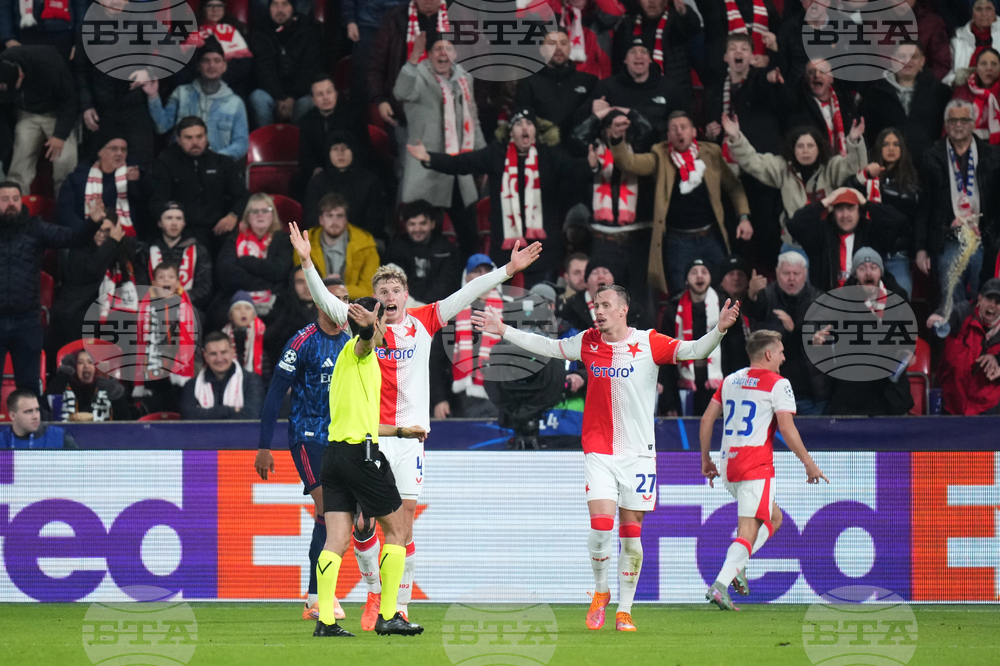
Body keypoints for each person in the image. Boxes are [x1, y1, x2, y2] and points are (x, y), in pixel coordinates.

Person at [291, 220, 542, 625]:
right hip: (369, 438)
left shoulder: (425, 319)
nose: (389, 297)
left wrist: (507, 272)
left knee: (403, 526)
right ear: (376, 297)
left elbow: (467, 293)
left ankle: (396, 606)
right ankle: (375, 590)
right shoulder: (363, 322)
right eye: (382, 292)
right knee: (362, 525)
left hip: (409, 440)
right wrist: (306, 262)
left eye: (395, 291)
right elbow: (324, 298)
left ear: (406, 295)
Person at [472, 283, 741, 631]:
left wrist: (719, 328)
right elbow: (550, 347)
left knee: (632, 538)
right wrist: (504, 329)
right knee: (601, 530)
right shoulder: (587, 341)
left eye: (605, 305)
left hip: (640, 456)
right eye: (595, 305)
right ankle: (601, 592)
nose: (597, 311)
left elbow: (694, 350)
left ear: (622, 309)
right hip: (599, 450)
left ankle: (624, 610)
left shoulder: (649, 342)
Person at [294, 263, 427, 637]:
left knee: (335, 539)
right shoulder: (362, 351)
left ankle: (325, 619)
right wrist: (369, 323)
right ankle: (389, 614)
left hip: (334, 455)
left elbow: (364, 419)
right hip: (360, 455)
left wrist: (402, 430)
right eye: (380, 320)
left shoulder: (345, 362)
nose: (386, 327)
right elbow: (367, 336)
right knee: (399, 529)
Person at [699, 329, 828, 611]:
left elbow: (707, 419)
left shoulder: (731, 380)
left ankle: (737, 566)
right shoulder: (778, 384)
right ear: (768, 354)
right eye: (780, 352)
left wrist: (705, 460)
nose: (784, 357)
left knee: (775, 517)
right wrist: (809, 463)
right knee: (748, 531)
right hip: (755, 465)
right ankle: (721, 584)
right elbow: (786, 427)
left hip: (727, 464)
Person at [255, 276, 354, 623]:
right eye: (336, 299)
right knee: (332, 510)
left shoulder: (350, 341)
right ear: (320, 301)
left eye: (346, 298)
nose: (343, 305)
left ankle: (314, 596)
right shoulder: (302, 342)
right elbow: (274, 394)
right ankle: (321, 597)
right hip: (307, 436)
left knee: (327, 518)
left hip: (341, 439)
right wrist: (264, 446)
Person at [407, 108, 595, 286]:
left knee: (539, 303)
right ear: (510, 132)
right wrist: (429, 158)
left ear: (536, 131)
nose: (524, 127)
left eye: (529, 123)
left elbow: (574, 170)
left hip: (543, 250)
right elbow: (461, 163)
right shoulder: (496, 154)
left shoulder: (549, 155)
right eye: (518, 123)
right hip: (505, 248)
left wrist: (591, 164)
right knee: (505, 304)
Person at [608, 110, 753, 296]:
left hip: (710, 235)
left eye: (683, 127)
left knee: (724, 290)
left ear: (693, 132)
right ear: (668, 136)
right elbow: (629, 163)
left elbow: (734, 187)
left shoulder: (711, 153)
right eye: (674, 129)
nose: (679, 132)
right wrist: (617, 139)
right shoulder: (660, 156)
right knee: (681, 293)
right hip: (678, 242)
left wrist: (744, 217)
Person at [0, 180, 102, 394]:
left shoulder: (35, 228)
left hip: (26, 321)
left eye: (15, 199)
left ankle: (27, 428)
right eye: (5, 199)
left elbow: (74, 239)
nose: (11, 204)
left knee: (28, 387)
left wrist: (92, 223)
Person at [705, 33, 794, 269]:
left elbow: (787, 103)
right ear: (725, 57)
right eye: (733, 48)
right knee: (736, 234)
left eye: (744, 48)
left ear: (752, 56)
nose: (738, 52)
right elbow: (711, 126)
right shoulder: (714, 92)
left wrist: (776, 70)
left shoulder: (762, 81)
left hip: (761, 170)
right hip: (731, 172)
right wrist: (711, 131)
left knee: (767, 233)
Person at [394, 35, 486, 258]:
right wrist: (413, 59)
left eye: (449, 49)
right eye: (437, 49)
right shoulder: (419, 75)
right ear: (430, 54)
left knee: (469, 234)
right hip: (426, 168)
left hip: (457, 169)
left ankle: (469, 282)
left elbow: (472, 119)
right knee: (421, 235)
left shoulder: (464, 80)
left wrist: (482, 157)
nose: (443, 53)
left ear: (456, 54)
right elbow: (401, 92)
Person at [722, 114, 867, 250]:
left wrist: (854, 141)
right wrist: (736, 138)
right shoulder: (783, 168)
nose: (805, 151)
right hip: (794, 243)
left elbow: (855, 165)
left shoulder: (831, 167)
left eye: (810, 146)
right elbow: (753, 162)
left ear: (819, 148)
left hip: (826, 242)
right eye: (800, 146)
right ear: (793, 149)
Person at [918, 100, 1000, 311]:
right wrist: (921, 248)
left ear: (973, 123)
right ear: (945, 124)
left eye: (964, 119)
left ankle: (977, 336)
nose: (958, 124)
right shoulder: (932, 156)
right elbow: (924, 206)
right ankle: (955, 333)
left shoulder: (992, 156)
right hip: (948, 236)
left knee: (983, 286)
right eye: (953, 120)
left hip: (984, 235)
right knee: (950, 282)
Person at [816, 248, 914, 417]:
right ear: (855, 274)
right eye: (862, 268)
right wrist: (818, 334)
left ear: (881, 272)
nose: (868, 273)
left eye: (873, 267)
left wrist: (906, 352)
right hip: (852, 394)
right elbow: (823, 320)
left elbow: (907, 337)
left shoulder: (898, 297)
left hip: (889, 394)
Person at [44, 214, 136, 373]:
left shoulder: (123, 254)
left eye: (107, 231)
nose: (101, 235)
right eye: (98, 230)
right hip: (75, 311)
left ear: (116, 231)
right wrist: (112, 242)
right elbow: (92, 270)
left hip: (109, 315)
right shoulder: (79, 248)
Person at [744, 251, 828, 415]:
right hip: (773, 394)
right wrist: (751, 294)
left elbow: (830, 337)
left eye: (796, 273)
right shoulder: (766, 297)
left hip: (812, 392)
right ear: (776, 273)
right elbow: (753, 314)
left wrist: (818, 340)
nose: (791, 278)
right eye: (786, 273)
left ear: (805, 273)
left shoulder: (819, 300)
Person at [150, 117, 250, 254]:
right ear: (178, 140)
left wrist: (233, 215)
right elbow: (158, 202)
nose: (195, 142)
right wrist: (174, 224)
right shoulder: (166, 163)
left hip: (218, 230)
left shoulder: (222, 162)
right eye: (188, 138)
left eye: (199, 136)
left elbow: (243, 196)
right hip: (182, 231)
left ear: (206, 137)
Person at [140, 39, 250, 159]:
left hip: (218, 167)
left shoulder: (235, 103)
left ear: (224, 66)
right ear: (198, 66)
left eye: (217, 61)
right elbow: (161, 127)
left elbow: (241, 144)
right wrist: (153, 96)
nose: (211, 65)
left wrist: (217, 159)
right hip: (181, 163)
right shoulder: (181, 93)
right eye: (206, 61)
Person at [787, 187, 904, 292]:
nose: (845, 215)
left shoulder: (872, 233)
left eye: (851, 208)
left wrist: (866, 203)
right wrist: (825, 202)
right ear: (833, 211)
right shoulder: (821, 233)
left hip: (864, 304)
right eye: (840, 209)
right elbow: (795, 224)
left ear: (859, 210)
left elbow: (898, 221)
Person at [429, 254, 503, 419]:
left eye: (487, 271)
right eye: (476, 271)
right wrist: (440, 399)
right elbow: (436, 361)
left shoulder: (509, 311)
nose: (482, 276)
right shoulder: (452, 313)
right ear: (466, 278)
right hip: (461, 400)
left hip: (501, 397)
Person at [850, 129, 921, 297]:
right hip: (868, 252)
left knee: (902, 299)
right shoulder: (867, 176)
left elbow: (912, 218)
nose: (891, 148)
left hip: (897, 254)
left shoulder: (912, 180)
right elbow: (848, 193)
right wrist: (865, 175)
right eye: (886, 144)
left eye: (896, 144)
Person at [858, 42, 950, 171]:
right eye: (902, 56)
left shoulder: (940, 93)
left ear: (922, 61)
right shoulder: (873, 94)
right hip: (886, 169)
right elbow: (866, 134)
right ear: (893, 60)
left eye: (913, 57)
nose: (908, 61)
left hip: (929, 168)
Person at [0, 45, 77, 195]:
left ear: (21, 74)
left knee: (65, 159)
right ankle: (14, 207)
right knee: (20, 160)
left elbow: (69, 102)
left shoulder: (49, 64)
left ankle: (64, 205)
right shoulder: (3, 65)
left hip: (56, 113)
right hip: (26, 113)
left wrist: (60, 135)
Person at [588, 39, 692, 149]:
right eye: (632, 52)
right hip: (618, 154)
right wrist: (593, 112)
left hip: (659, 153)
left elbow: (686, 121)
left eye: (644, 52)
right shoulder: (607, 87)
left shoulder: (670, 88)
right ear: (625, 59)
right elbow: (584, 124)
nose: (639, 56)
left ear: (650, 59)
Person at [661, 259, 730, 416]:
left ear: (711, 277)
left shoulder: (724, 306)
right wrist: (669, 401)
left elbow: (735, 350)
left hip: (718, 383)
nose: (699, 276)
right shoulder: (673, 309)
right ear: (686, 279)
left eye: (704, 272)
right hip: (685, 386)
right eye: (694, 272)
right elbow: (666, 356)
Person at [212, 193, 293, 326]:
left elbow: (280, 270)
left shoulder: (284, 239)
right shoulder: (234, 238)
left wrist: (246, 261)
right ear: (247, 216)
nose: (260, 215)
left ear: (273, 215)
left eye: (265, 211)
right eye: (255, 211)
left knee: (284, 320)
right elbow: (226, 272)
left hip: (275, 300)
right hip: (237, 296)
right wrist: (266, 283)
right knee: (218, 316)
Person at [368, 0, 450, 130]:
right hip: (405, 112)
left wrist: (474, 102)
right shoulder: (395, 18)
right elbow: (376, 64)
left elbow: (480, 61)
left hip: (450, 115)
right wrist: (380, 99)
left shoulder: (459, 17)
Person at [131, 261, 198, 415]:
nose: (166, 280)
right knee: (153, 409)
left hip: (177, 369)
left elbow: (192, 338)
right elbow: (139, 341)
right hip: (153, 367)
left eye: (171, 277)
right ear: (153, 283)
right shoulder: (145, 307)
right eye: (161, 277)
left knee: (175, 409)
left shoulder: (185, 306)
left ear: (178, 282)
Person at [928, 277, 1000, 415]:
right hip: (951, 404)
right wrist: (940, 316)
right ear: (979, 298)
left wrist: (997, 360)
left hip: (988, 409)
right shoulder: (965, 312)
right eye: (988, 299)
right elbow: (951, 313)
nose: (992, 305)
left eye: (998, 302)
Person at [294, 74, 372, 201]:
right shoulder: (306, 121)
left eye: (329, 92)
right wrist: (316, 169)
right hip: (322, 172)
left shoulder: (353, 115)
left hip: (352, 168)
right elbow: (305, 155)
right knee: (299, 184)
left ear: (336, 93)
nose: (325, 98)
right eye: (320, 94)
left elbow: (364, 147)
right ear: (313, 100)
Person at [58, 133, 152, 237]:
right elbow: (65, 212)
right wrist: (87, 231)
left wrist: (138, 181)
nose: (119, 153)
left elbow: (146, 203)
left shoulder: (134, 175)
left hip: (123, 239)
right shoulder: (77, 177)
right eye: (114, 149)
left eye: (123, 149)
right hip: (85, 237)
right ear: (100, 152)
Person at [303, 132, 388, 246]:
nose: (340, 153)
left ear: (354, 151)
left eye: (345, 148)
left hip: (361, 241)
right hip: (325, 240)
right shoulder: (318, 181)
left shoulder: (370, 181)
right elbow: (312, 218)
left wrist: (353, 239)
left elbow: (375, 221)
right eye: (335, 149)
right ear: (328, 153)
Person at [514, 31, 600, 141]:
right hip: (543, 151)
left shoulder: (589, 81)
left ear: (570, 48)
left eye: (564, 43)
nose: (559, 48)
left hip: (581, 151)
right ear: (542, 50)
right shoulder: (529, 83)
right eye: (551, 43)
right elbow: (522, 122)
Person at [249, 0, 323, 126]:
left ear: (292, 8)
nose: (280, 9)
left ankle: (298, 142)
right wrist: (279, 97)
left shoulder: (309, 31)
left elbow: (309, 69)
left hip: (299, 94)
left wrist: (293, 98)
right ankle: (267, 141)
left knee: (309, 101)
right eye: (275, 5)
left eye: (284, 4)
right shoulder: (260, 31)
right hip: (272, 93)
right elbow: (263, 69)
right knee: (258, 97)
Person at [293, 193, 379, 299]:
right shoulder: (304, 242)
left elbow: (369, 290)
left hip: (353, 304)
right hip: (315, 302)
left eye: (339, 216)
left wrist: (336, 289)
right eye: (329, 216)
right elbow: (300, 284)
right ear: (321, 220)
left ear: (346, 220)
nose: (334, 221)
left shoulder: (365, 245)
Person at [611, 0, 700, 100]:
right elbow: (618, 64)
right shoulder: (628, 24)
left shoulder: (676, 20)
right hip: (635, 96)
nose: (651, 2)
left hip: (674, 97)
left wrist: (684, 13)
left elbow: (692, 26)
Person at [383, 200, 461, 306]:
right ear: (405, 225)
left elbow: (447, 284)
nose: (417, 229)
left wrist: (426, 307)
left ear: (433, 224)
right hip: (405, 308)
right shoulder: (396, 248)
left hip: (439, 308)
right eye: (412, 224)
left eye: (422, 223)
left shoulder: (446, 249)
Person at [142, 202, 213, 312]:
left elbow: (205, 289)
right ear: (160, 223)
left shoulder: (199, 250)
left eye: (179, 218)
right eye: (169, 218)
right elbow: (141, 284)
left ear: (184, 223)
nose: (174, 223)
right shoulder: (147, 251)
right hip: (153, 306)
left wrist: (177, 299)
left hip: (188, 307)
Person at [693, 0, 781, 88]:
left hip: (762, 78)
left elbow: (779, 38)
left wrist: (768, 58)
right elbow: (716, 48)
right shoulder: (714, 5)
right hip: (727, 80)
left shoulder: (766, 4)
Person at [180, 331, 264, 420]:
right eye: (213, 354)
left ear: (232, 352)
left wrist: (207, 413)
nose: (219, 359)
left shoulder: (251, 381)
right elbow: (188, 417)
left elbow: (252, 416)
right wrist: (229, 410)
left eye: (223, 352)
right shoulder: (192, 385)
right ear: (205, 355)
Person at [789, 59, 861, 160]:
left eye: (822, 71)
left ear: (831, 78)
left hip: (847, 167)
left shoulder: (847, 105)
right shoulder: (799, 111)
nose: (816, 75)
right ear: (806, 79)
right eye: (811, 72)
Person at [185, 0, 254, 99]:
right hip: (197, 84)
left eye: (219, 6)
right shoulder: (190, 31)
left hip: (231, 85)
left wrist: (218, 79)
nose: (215, 10)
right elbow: (187, 63)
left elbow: (244, 65)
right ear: (203, 9)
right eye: (210, 6)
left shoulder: (237, 30)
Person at [49, 349, 131, 422]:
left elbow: (126, 424)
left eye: (90, 362)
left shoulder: (106, 387)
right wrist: (61, 378)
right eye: (80, 362)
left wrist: (117, 395)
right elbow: (45, 409)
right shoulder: (62, 385)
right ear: (74, 367)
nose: (86, 366)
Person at [952, 48, 1000, 147]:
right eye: (983, 64)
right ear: (976, 68)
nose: (989, 68)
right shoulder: (963, 91)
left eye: (994, 64)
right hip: (967, 147)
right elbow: (951, 124)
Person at [945, 0, 1000, 86]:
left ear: (995, 11)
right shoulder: (958, 40)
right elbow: (947, 76)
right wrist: (957, 80)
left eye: (988, 8)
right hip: (966, 93)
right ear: (972, 12)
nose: (984, 14)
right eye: (979, 9)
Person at [0, 390, 75, 448]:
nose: (36, 416)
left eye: (37, 410)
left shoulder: (59, 436)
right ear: (12, 416)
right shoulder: (2, 441)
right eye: (29, 411)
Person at [223, 291, 267, 375]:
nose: (243, 312)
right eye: (237, 308)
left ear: (254, 315)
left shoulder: (262, 334)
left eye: (247, 308)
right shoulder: (224, 336)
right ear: (230, 316)